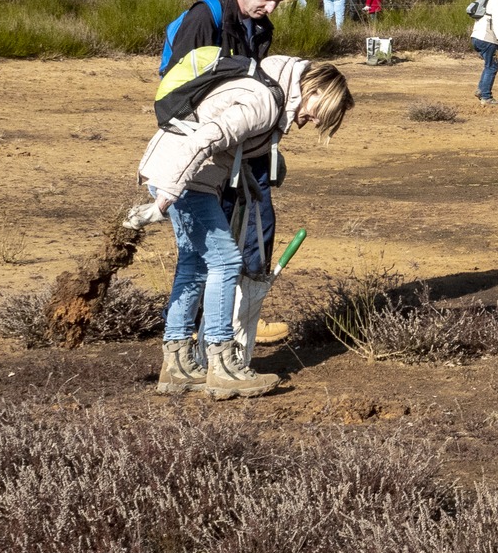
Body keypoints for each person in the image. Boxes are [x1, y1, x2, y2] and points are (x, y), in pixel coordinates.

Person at [139, 55, 353, 398]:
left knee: (193, 265)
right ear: (312, 88)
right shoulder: (264, 102)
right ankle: (222, 365)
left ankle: (177, 365)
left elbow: (227, 145)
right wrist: (165, 197)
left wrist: (249, 181)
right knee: (225, 262)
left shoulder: (272, 92)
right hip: (183, 180)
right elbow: (206, 139)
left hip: (180, 173)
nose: (311, 121)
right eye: (318, 111)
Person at [159, 0, 296, 341]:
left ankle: (244, 314)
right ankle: (199, 326)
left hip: (244, 141)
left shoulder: (261, 27)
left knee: (257, 223)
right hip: (204, 143)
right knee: (210, 242)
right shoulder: (205, 17)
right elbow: (182, 84)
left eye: (277, 3)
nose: (270, 9)